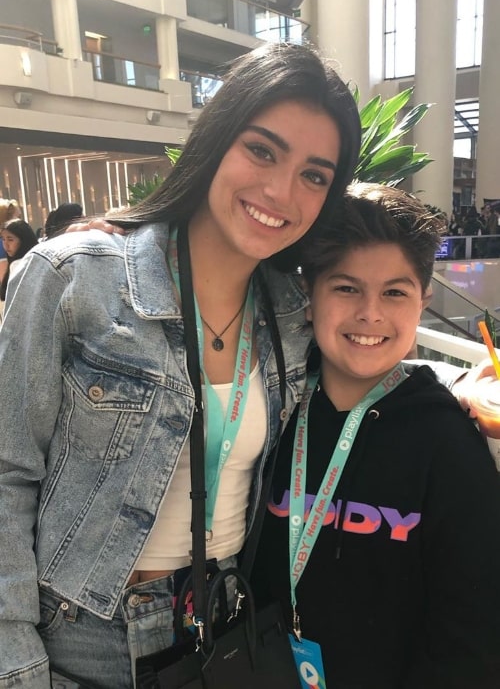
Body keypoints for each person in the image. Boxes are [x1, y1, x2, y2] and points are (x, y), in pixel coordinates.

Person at [0, 42, 363, 689]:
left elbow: (363, 383)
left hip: (221, 626)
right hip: (81, 638)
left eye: (314, 174)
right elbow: (6, 476)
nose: (281, 191)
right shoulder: (72, 279)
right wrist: (16, 666)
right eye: (262, 149)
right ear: (216, 140)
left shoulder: (288, 314)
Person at [251, 183, 500, 689]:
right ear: (310, 296)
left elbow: (471, 636)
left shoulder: (450, 440)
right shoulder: (270, 415)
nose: (370, 313)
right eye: (346, 288)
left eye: (394, 292)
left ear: (422, 301)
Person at [0, 218, 38, 322]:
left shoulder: (19, 264)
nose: (5, 244)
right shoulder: (36, 260)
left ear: (24, 240)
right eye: (3, 239)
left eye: (10, 239)